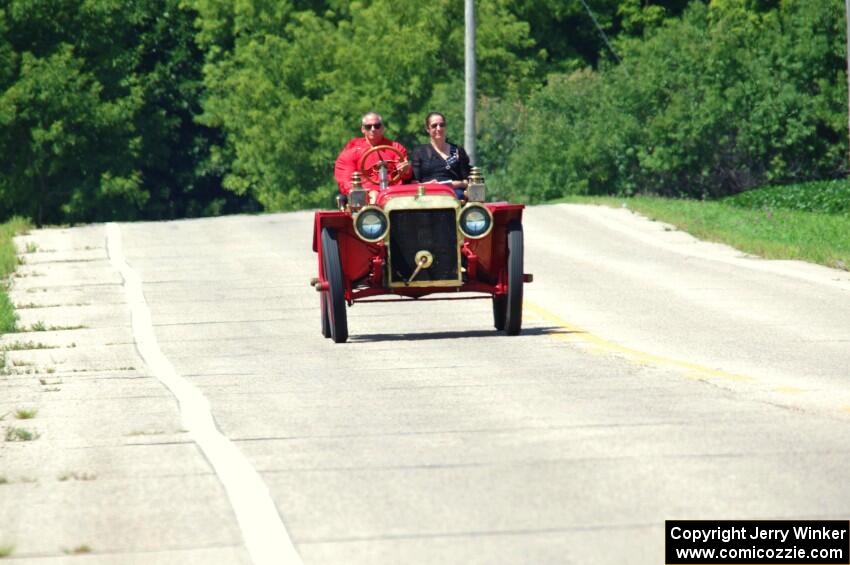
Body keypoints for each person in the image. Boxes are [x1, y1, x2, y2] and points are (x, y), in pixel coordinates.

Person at [334, 112, 412, 197]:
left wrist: (405, 169)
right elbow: (344, 179)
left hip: (391, 193)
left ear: (382, 128)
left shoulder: (396, 148)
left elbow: (406, 174)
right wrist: (359, 193)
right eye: (368, 127)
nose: (373, 129)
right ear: (363, 129)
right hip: (365, 195)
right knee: (373, 195)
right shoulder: (352, 150)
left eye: (377, 126)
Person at [411, 112, 471, 199]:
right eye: (434, 125)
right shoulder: (419, 152)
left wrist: (454, 184)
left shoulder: (458, 150)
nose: (438, 128)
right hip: (428, 196)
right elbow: (413, 183)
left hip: (455, 196)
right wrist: (429, 185)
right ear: (427, 129)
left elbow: (467, 180)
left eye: (441, 125)